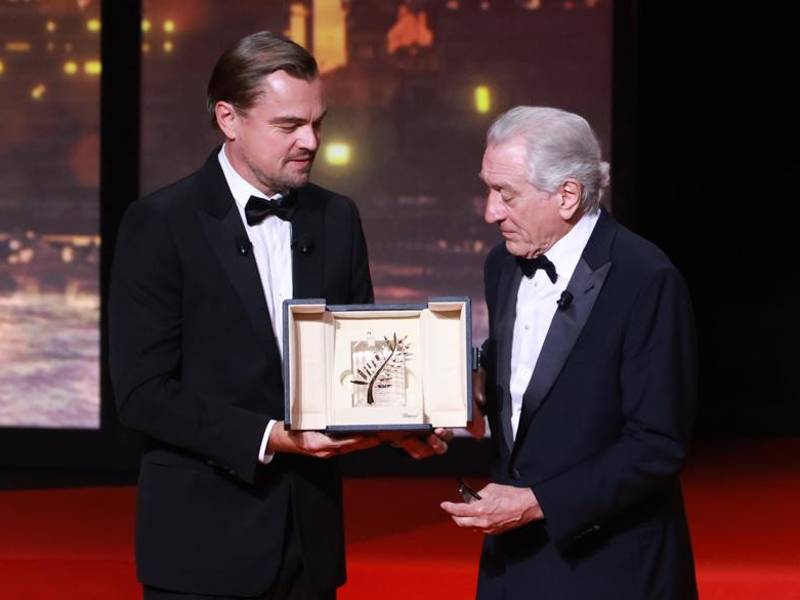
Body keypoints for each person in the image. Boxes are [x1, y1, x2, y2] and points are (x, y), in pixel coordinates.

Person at [110, 31, 383, 599]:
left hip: (310, 544)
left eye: (317, 123)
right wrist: (272, 437)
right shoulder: (161, 223)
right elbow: (142, 393)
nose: (311, 141)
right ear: (228, 119)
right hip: (201, 549)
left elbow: (361, 360)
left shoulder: (337, 218)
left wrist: (405, 421)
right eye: (289, 126)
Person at [441, 106, 698, 599]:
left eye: (505, 194)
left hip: (611, 568)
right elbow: (524, 376)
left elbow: (657, 443)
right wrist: (469, 386)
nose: (490, 210)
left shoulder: (646, 277)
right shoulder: (502, 265)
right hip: (513, 566)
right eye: (488, 188)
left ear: (568, 195)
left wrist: (538, 503)